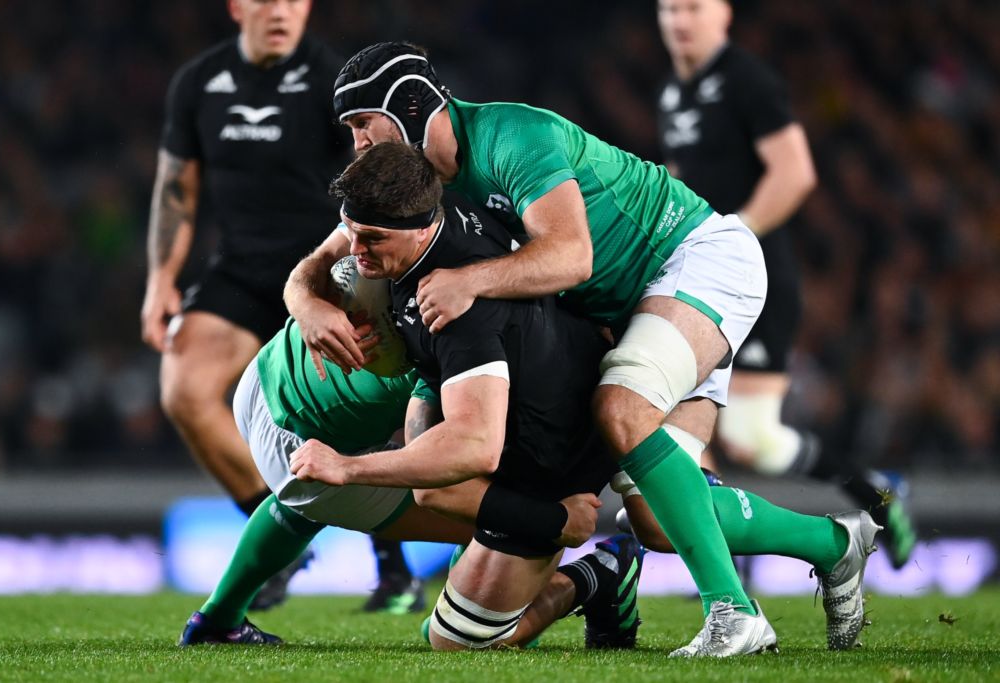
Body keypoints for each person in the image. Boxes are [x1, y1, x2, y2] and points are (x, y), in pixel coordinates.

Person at [287, 142, 881, 654]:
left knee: (469, 583)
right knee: (641, 523)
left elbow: (471, 446)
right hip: (557, 388)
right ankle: (825, 544)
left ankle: (710, 599)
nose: (356, 251)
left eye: (370, 239)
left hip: (570, 423)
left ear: (420, 226)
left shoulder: (460, 299)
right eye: (352, 234)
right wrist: (314, 305)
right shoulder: (417, 221)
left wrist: (345, 465)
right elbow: (337, 268)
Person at [286, 40, 771, 657]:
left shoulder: (514, 136)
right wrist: (306, 303)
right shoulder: (411, 189)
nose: (356, 141)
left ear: (408, 107)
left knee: (621, 410)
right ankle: (836, 545)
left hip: (686, 260)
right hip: (614, 319)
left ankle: (732, 614)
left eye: (361, 122)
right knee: (656, 522)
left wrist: (468, 279)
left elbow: (573, 257)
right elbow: (319, 263)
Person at [138, 0, 418, 611]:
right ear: (238, 7)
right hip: (240, 271)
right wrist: (162, 278)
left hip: (326, 270)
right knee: (183, 388)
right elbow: (177, 184)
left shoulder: (328, 79)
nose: (283, 11)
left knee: (365, 409)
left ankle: (393, 563)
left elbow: (375, 167)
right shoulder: (199, 82)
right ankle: (281, 537)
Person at [654, 0, 916, 570]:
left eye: (691, 8)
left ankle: (875, 492)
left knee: (751, 438)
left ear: (722, 15)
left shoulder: (747, 80)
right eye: (669, 8)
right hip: (697, 279)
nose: (678, 19)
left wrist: (730, 243)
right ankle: (701, 563)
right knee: (677, 415)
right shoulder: (676, 93)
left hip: (754, 278)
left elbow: (794, 172)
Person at [179, 315, 609, 646]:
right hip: (305, 445)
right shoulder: (462, 332)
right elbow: (438, 485)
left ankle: (218, 618)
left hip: (270, 371)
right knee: (506, 523)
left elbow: (333, 251)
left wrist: (306, 301)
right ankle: (588, 581)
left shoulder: (409, 231)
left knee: (306, 507)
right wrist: (553, 520)